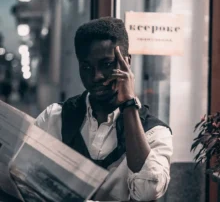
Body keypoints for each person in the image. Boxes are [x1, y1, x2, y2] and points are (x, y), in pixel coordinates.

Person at [35, 17, 173, 201]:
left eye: (107, 64)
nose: (96, 76)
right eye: (86, 67)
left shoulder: (155, 132)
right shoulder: (55, 117)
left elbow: (147, 192)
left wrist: (129, 105)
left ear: (127, 62)